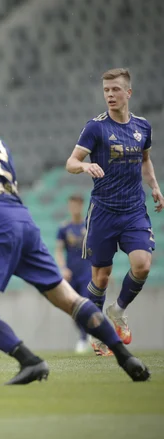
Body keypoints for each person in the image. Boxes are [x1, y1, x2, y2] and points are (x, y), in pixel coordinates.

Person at [0, 85, 149, 384]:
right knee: (68, 298)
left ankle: (29, 360)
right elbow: (3, 197)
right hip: (23, 222)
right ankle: (125, 356)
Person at [66, 68, 161, 353]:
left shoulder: (142, 127)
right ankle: (96, 330)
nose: (110, 95)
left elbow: (145, 161)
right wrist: (84, 166)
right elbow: (71, 162)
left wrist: (154, 187)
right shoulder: (95, 127)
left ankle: (118, 310)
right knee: (101, 277)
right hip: (103, 211)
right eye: (106, 90)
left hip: (133, 210)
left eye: (115, 90)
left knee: (142, 265)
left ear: (128, 93)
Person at [54, 194, 92, 354]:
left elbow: (99, 248)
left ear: (81, 206)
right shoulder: (64, 228)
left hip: (87, 272)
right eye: (72, 205)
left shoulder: (90, 226)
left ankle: (85, 338)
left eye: (77, 205)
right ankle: (85, 335)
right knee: (72, 308)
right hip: (72, 273)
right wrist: (62, 268)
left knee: (86, 305)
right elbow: (59, 250)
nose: (74, 208)